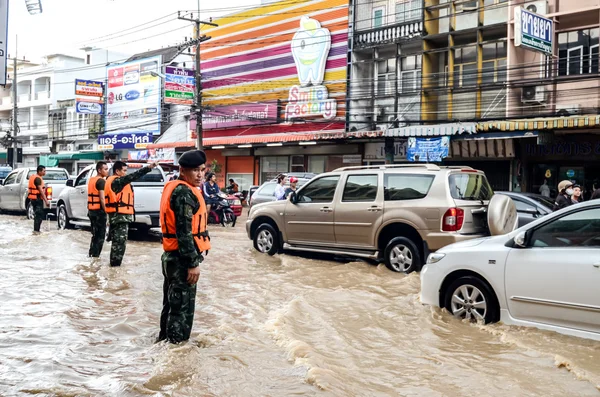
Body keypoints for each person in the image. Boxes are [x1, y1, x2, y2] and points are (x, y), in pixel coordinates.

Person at [158, 150, 210, 344]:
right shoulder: (184, 192)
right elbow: (184, 232)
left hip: (172, 257)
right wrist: (192, 263)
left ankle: (164, 345)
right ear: (182, 170)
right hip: (181, 259)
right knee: (181, 311)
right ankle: (176, 353)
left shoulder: (176, 187)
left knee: (171, 307)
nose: (199, 175)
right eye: (195, 170)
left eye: (202, 170)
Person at [105, 161, 158, 267]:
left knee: (117, 243)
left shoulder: (115, 181)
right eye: (124, 171)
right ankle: (115, 267)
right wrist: (149, 167)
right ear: (117, 171)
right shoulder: (117, 181)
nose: (126, 173)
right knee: (119, 244)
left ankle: (114, 269)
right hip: (119, 217)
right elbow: (133, 176)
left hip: (118, 217)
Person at [87, 162, 109, 258]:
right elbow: (102, 199)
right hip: (99, 212)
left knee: (94, 235)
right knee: (100, 236)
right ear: (99, 170)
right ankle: (95, 257)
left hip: (91, 211)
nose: (107, 171)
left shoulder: (91, 180)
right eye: (105, 169)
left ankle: (91, 255)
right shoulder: (101, 181)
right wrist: (107, 212)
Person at [27, 165, 49, 233]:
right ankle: (36, 231)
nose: (45, 172)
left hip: (33, 199)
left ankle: (36, 230)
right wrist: (46, 201)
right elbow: (41, 191)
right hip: (37, 199)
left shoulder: (34, 177)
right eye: (44, 171)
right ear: (39, 171)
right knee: (39, 215)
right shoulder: (38, 179)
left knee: (37, 215)